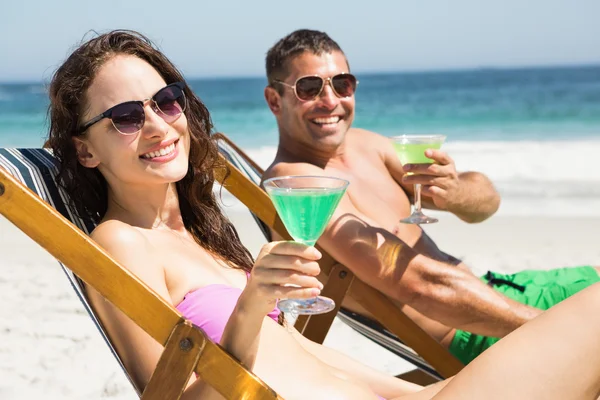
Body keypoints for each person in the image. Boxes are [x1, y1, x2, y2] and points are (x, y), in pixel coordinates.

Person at [46, 29, 600, 400]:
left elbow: (309, 361)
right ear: (85, 150)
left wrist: (427, 392)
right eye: (123, 116)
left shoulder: (200, 240)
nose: (158, 125)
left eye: (166, 101)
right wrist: (251, 307)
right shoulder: (119, 245)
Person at [262, 28, 600, 364]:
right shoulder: (296, 184)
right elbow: (421, 285)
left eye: (342, 84)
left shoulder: (368, 146)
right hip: (486, 333)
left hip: (502, 292)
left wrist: (454, 191)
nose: (331, 101)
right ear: (275, 100)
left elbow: (485, 206)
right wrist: (557, 329)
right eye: (309, 87)